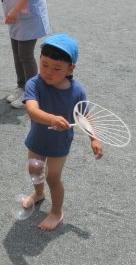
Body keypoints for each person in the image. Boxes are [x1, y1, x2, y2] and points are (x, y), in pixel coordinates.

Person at [21, 34, 103, 231]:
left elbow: (85, 116)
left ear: (70, 69)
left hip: (60, 144)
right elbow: (32, 110)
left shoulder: (77, 91)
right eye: (44, 64)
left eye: (57, 68)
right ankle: (39, 193)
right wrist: (51, 119)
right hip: (37, 139)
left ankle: (57, 212)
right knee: (34, 169)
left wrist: (94, 138)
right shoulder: (34, 83)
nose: (48, 72)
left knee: (52, 177)